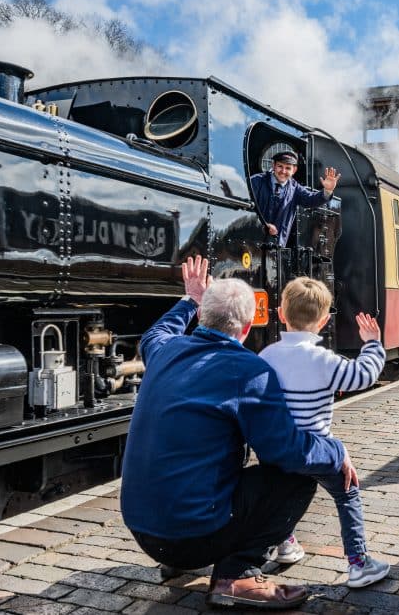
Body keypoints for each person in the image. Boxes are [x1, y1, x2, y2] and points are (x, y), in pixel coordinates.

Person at [121, 256, 356, 610]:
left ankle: (180, 557)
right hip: (191, 539)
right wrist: (335, 452)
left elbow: (155, 332)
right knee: (298, 478)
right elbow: (286, 451)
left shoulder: (165, 350)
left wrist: (190, 299)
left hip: (142, 529)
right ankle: (237, 575)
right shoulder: (249, 370)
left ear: (202, 317)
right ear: (247, 329)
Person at [258, 277, 391, 588]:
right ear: (322, 321)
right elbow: (363, 375)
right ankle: (359, 564)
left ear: (281, 314)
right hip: (315, 449)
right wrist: (372, 343)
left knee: (281, 493)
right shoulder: (324, 360)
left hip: (278, 448)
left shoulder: (267, 356)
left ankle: (285, 543)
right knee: (347, 493)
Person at [250, 151, 340, 246]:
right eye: (280, 166)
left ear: (294, 170)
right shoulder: (256, 181)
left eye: (288, 168)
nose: (283, 171)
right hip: (252, 240)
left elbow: (311, 199)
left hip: (276, 246)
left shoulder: (295, 188)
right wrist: (262, 224)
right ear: (273, 165)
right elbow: (246, 206)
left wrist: (327, 190)